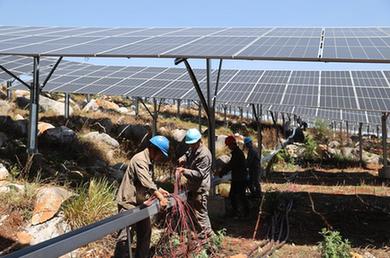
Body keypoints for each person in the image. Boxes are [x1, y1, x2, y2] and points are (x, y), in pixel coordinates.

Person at [114, 135, 170, 258]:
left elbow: (148, 181)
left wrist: (159, 190)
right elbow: (147, 182)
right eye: (161, 154)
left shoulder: (149, 161)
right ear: (154, 149)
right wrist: (160, 197)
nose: (160, 158)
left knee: (145, 232)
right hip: (128, 203)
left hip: (140, 203)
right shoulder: (140, 160)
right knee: (125, 237)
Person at [176, 128, 214, 239]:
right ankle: (199, 235)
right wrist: (182, 158)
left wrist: (184, 171)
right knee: (193, 214)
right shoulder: (193, 148)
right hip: (193, 187)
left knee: (200, 215)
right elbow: (187, 154)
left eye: (192, 144)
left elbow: (199, 174)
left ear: (199, 141)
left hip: (200, 189)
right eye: (190, 144)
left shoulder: (204, 155)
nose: (190, 146)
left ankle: (207, 238)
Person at [223, 135, 249, 218]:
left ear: (232, 144)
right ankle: (241, 212)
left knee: (238, 196)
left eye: (229, 145)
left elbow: (231, 165)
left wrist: (221, 172)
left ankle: (242, 213)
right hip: (238, 177)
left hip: (240, 178)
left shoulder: (237, 153)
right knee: (237, 195)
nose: (229, 147)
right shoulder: (237, 152)